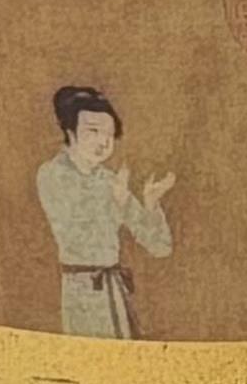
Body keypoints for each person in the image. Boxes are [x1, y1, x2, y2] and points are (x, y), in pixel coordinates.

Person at [35, 85, 178, 338]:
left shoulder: (110, 181)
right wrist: (117, 203)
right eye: (93, 131)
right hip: (81, 290)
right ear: (70, 132)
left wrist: (151, 203)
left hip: (115, 289)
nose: (103, 142)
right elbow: (78, 235)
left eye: (109, 135)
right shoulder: (52, 174)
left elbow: (159, 246)